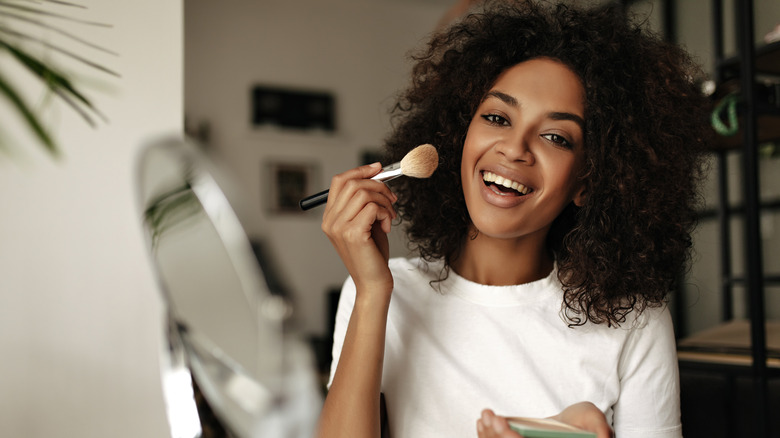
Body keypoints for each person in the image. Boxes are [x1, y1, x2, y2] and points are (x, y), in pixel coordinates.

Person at [316, 1, 710, 437]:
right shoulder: (381, 294)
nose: (515, 148)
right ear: (458, 136)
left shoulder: (634, 320)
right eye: (497, 117)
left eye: (556, 137)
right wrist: (373, 292)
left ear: (588, 180)